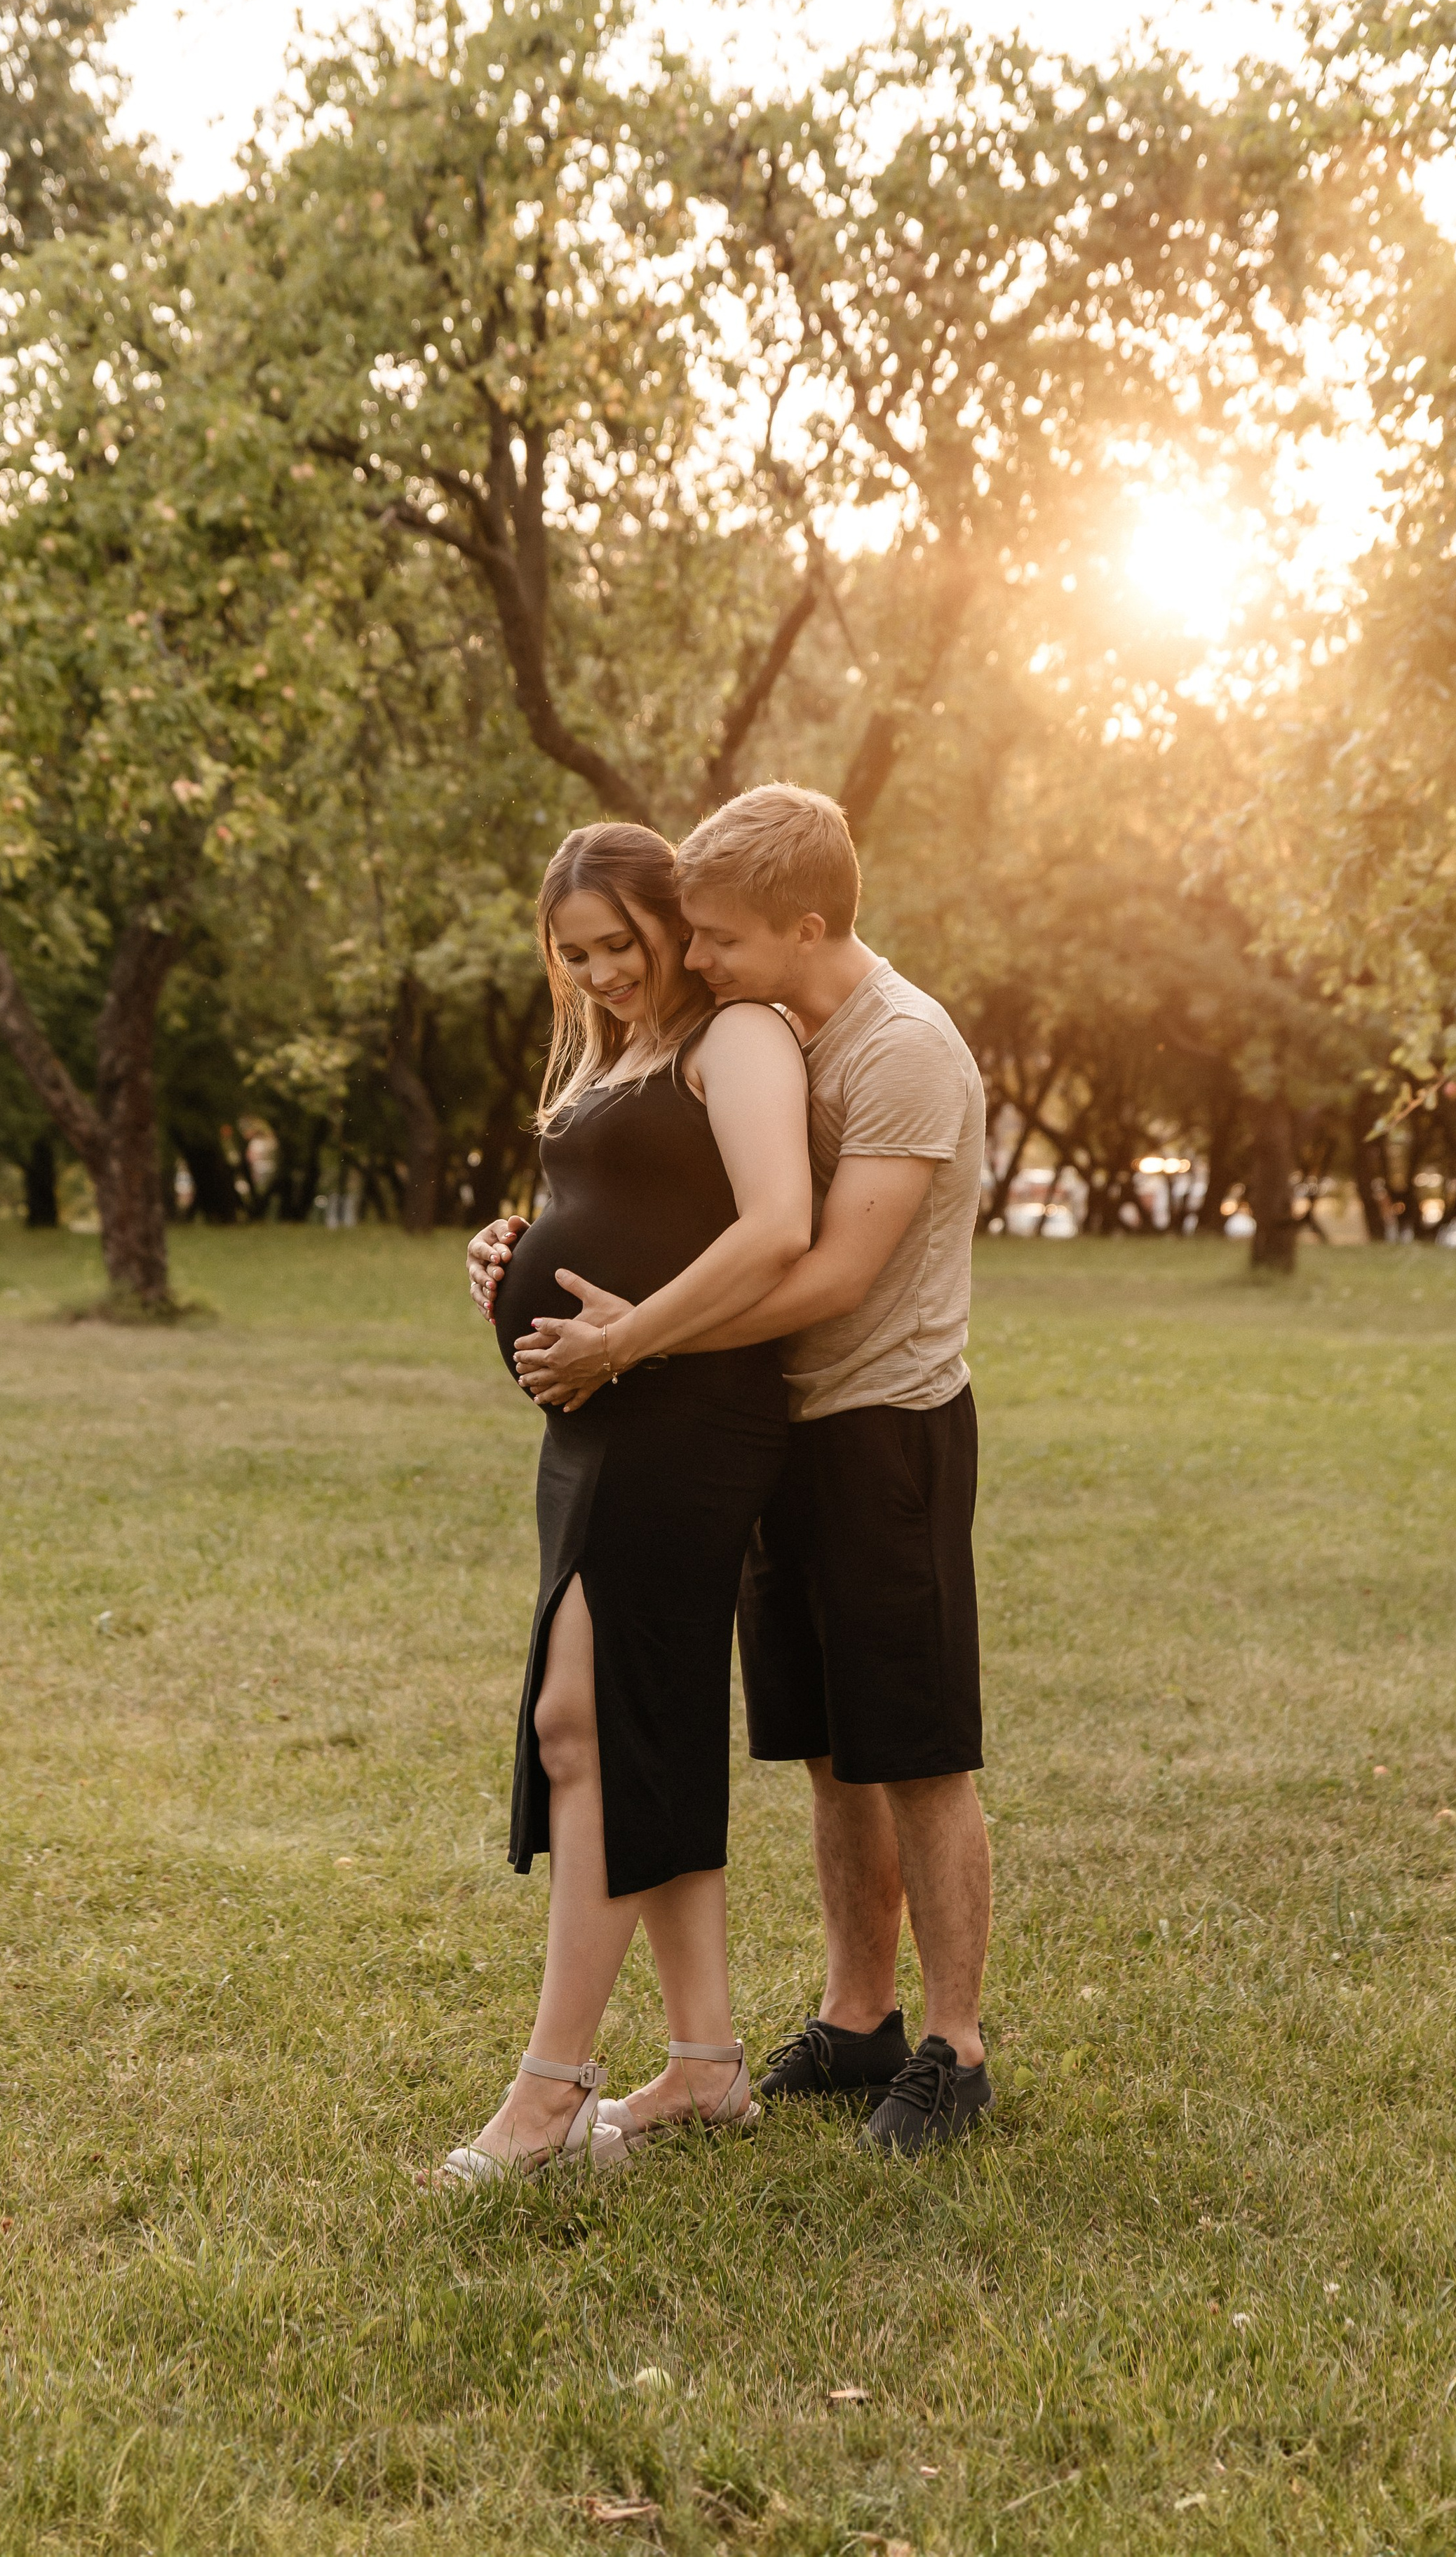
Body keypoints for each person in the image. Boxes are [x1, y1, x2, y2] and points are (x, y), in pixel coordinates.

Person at [475, 782, 993, 2158]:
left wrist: (625, 1342)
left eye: (709, 937)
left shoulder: (898, 1050)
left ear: (800, 927)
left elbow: (815, 1260)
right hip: (772, 1426)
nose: (690, 961)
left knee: (915, 1748)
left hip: (881, 1423)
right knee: (825, 1751)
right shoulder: (768, 1032)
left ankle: (951, 2046)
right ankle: (852, 2016)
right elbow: (680, 1200)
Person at [436, 819, 813, 2186]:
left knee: (579, 1719)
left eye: (620, 945)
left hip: (685, 1416)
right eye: (574, 954)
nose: (598, 973)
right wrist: (514, 1253)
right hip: (596, 1424)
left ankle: (548, 2092)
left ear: (673, 921)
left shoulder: (737, 1038)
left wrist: (621, 1335)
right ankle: (704, 2066)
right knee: (628, 1727)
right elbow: (612, 1203)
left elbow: (775, 1226)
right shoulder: (615, 1052)